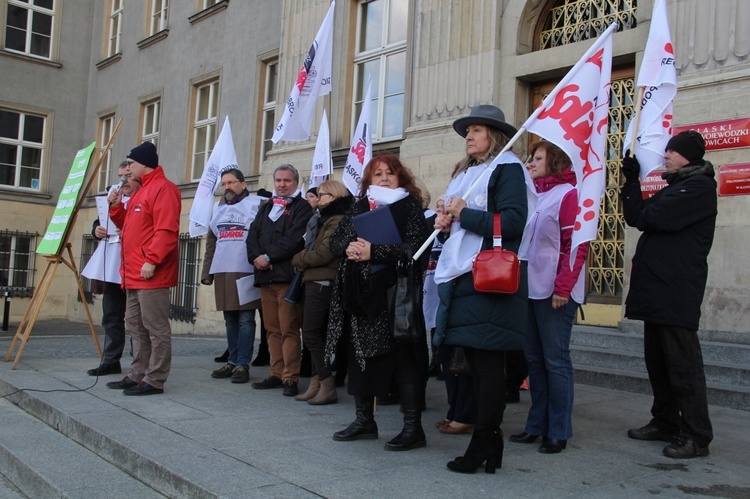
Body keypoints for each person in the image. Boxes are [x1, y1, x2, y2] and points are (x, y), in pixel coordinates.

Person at [433, 105, 528, 473]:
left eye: (476, 130)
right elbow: (462, 221)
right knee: (474, 362)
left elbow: (514, 222)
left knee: (488, 365)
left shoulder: (507, 168)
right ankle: (488, 443)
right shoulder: (469, 173)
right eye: (467, 131)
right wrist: (445, 220)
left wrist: (462, 214)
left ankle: (485, 441)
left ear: (495, 135)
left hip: (488, 279)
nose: (468, 136)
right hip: (465, 277)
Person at [325, 154, 430, 451]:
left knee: (403, 361)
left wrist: (375, 252)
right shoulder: (359, 207)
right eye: (378, 174)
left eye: (390, 173)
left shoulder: (408, 207)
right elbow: (334, 244)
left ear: (401, 178)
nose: (384, 178)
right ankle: (364, 421)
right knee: (361, 358)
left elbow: (416, 250)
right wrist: (353, 248)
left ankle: (413, 428)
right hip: (363, 296)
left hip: (396, 296)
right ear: (369, 180)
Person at [621, 130, 716, 459]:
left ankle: (696, 435)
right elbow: (635, 217)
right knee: (659, 363)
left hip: (676, 291)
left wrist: (644, 204)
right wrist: (631, 181)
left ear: (689, 156)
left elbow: (650, 217)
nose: (666, 156)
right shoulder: (674, 187)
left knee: (683, 366)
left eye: (673, 152)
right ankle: (664, 420)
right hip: (657, 290)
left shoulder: (699, 188)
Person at [509, 140, 588, 454]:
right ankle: (536, 425)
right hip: (530, 287)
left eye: (537, 157)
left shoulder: (568, 194)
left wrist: (563, 286)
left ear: (554, 161)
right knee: (534, 360)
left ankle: (558, 429)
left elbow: (576, 244)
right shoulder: (536, 195)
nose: (531, 162)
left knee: (555, 361)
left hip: (555, 290)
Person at [106, 142, 181, 396]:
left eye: (131, 164)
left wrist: (152, 259)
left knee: (155, 328)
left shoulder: (164, 189)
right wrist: (116, 207)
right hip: (134, 273)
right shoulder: (142, 190)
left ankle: (156, 378)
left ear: (144, 164)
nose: (128, 169)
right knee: (135, 326)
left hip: (151, 273)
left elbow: (166, 230)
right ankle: (138, 373)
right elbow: (129, 225)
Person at [247, 164, 313, 396]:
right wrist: (257, 258)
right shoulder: (266, 207)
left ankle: (290, 378)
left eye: (287, 180)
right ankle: (275, 373)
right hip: (266, 278)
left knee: (289, 329)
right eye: (278, 180)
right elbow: (252, 235)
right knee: (271, 329)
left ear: (295, 182)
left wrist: (268, 256)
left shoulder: (302, 207)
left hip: (287, 278)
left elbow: (295, 240)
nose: (282, 184)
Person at [291, 180, 352, 405]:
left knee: (311, 333)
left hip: (322, 281)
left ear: (334, 196)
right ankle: (317, 383)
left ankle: (326, 383)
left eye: (322, 194)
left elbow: (323, 254)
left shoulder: (336, 220)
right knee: (315, 334)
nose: (318, 198)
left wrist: (297, 259)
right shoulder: (324, 219)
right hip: (316, 279)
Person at [201, 169, 263, 384]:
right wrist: (206, 272)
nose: (227, 187)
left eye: (231, 182)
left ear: (243, 184)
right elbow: (211, 243)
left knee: (246, 319)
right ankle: (232, 360)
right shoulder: (219, 210)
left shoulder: (257, 205)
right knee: (230, 319)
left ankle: (242, 365)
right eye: (224, 183)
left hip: (246, 269)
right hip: (223, 269)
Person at [83, 160, 139, 376]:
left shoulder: (142, 196)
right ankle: (111, 359)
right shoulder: (111, 197)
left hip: (132, 261)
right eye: (120, 176)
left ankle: (139, 361)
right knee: (112, 315)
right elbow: (100, 221)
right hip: (112, 261)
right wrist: (97, 229)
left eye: (126, 175)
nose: (122, 180)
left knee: (136, 317)